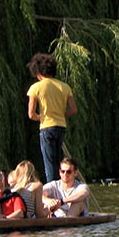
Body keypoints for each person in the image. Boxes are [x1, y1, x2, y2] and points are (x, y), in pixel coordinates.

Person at [25, 51, 77, 183]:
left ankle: (52, 190)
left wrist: (41, 117)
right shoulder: (65, 87)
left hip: (46, 127)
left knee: (49, 163)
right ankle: (63, 185)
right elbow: (73, 109)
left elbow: (31, 114)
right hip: (61, 127)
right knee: (59, 161)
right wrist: (60, 115)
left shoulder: (35, 87)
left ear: (37, 71)